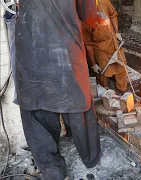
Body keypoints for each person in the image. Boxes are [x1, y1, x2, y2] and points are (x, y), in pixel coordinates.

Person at [15, 1, 109, 179]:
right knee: (78, 108)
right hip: (65, 57)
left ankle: (53, 172)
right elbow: (88, 15)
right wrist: (100, 19)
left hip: (30, 57)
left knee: (37, 112)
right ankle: (90, 159)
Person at [82, 0, 127, 92]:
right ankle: (106, 91)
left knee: (121, 64)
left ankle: (122, 90)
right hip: (98, 46)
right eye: (104, 26)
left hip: (112, 41)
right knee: (103, 68)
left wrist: (117, 32)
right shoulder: (85, 23)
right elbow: (88, 46)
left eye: (108, 25)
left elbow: (113, 15)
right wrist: (93, 65)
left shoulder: (104, 2)